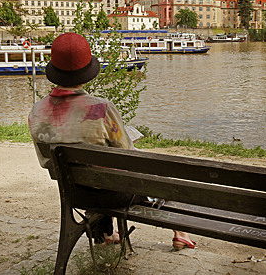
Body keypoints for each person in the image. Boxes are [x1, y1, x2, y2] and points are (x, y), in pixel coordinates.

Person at [28, 32, 195, 249]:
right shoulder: (101, 108)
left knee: (95, 170)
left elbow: (45, 161)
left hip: (75, 194)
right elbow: (127, 156)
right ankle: (180, 232)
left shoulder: (37, 111)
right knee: (153, 172)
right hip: (114, 195)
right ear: (87, 72)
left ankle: (105, 232)